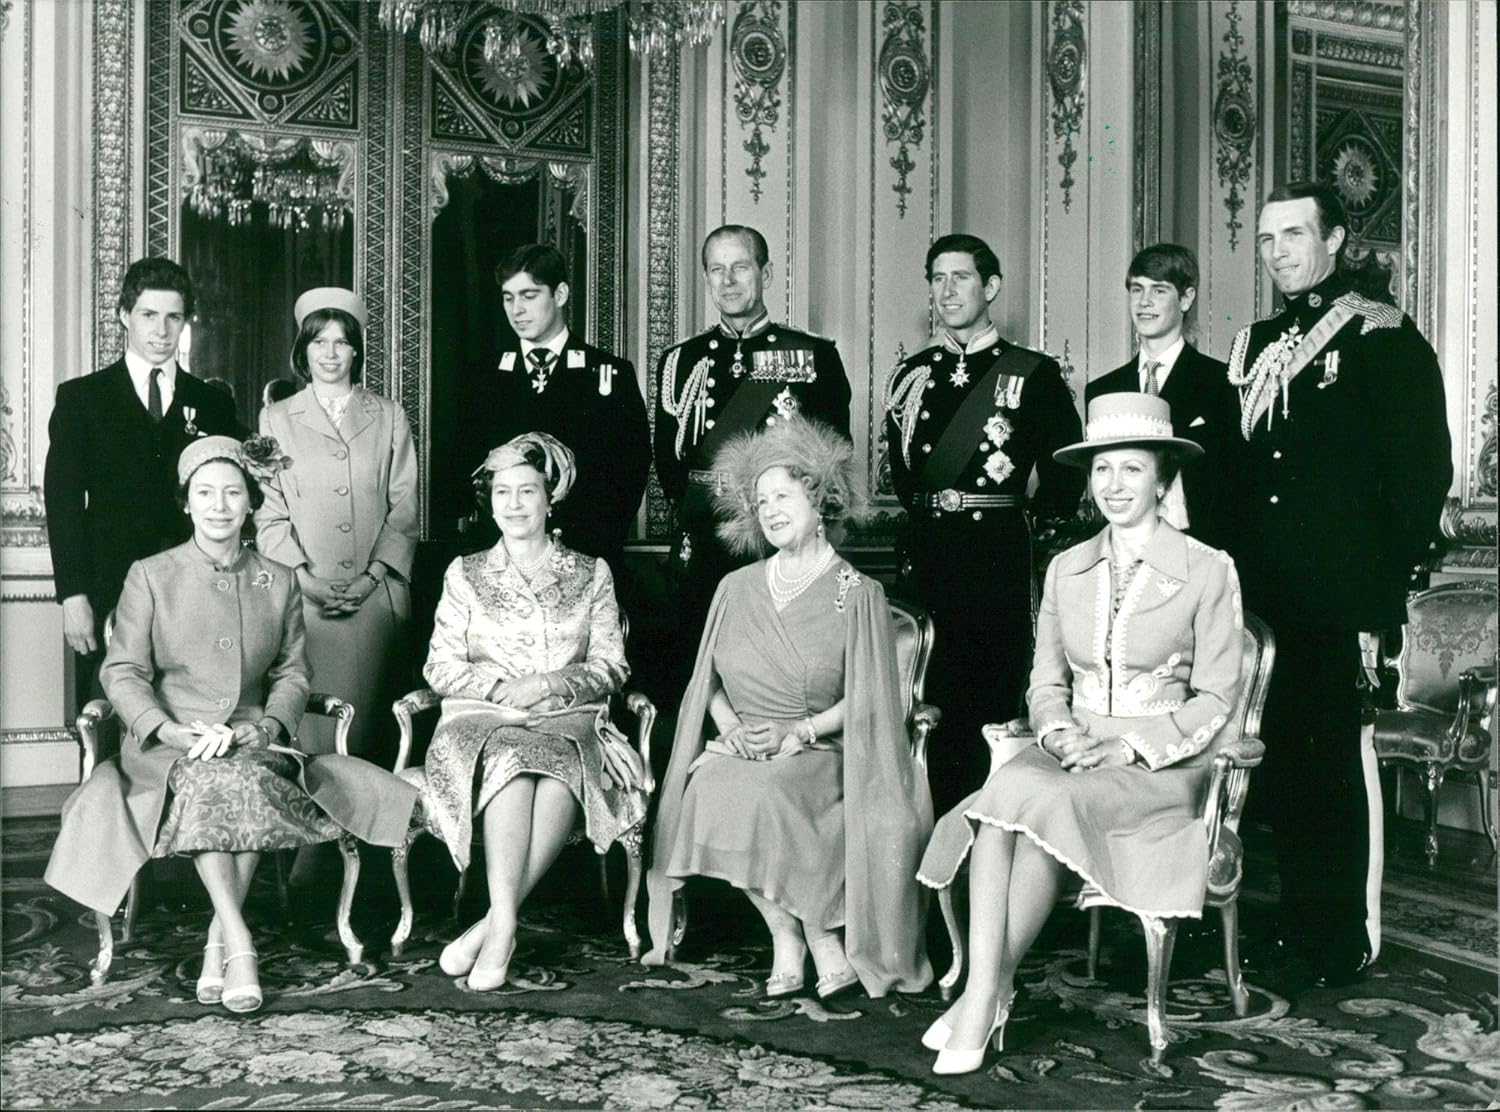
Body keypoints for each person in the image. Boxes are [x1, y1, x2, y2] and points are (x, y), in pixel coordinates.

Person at [916, 393, 1244, 1074]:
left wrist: (1127, 745)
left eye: (1131, 470)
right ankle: (991, 988)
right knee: (1008, 800)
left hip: (1159, 768)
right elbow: (1044, 684)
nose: (1114, 487)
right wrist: (1059, 733)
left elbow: (1218, 696)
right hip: (1073, 750)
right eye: (1102, 471)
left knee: (1036, 805)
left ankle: (982, 994)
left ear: (1162, 478)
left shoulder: (1208, 568)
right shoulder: (1067, 567)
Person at [44, 436, 417, 1014]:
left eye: (232, 493)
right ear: (186, 503)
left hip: (252, 741)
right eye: (205, 493)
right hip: (168, 748)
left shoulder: (280, 579)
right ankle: (238, 938)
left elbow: (294, 675)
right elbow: (121, 671)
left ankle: (219, 937)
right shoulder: (151, 575)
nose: (219, 505)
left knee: (239, 776)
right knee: (210, 781)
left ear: (250, 503)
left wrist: (266, 729)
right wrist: (164, 730)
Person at [1224, 181, 1450, 987]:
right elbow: (1240, 480)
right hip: (1265, 602)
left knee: (1333, 771)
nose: (1279, 251)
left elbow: (1422, 476)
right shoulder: (1252, 345)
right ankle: (1292, 925)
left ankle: (1343, 938)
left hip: (1339, 598)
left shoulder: (1382, 337)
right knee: (1279, 769)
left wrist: (1375, 594)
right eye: (1265, 238)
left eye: (1293, 234)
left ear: (1336, 239)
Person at [644, 417, 932, 1001]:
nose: (770, 510)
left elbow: (872, 697)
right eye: (760, 501)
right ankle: (792, 936)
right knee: (709, 785)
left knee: (770, 792)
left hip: (822, 747)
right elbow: (708, 680)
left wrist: (798, 732)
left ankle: (820, 936)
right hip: (742, 744)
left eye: (783, 495)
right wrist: (731, 731)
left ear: (820, 497)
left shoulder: (858, 593)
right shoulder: (735, 586)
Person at [419, 432, 646, 991]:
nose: (514, 505)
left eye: (527, 491)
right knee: (515, 760)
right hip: (482, 720)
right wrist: (503, 689)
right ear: (489, 501)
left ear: (551, 498)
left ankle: (496, 927)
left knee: (558, 767)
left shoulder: (590, 572)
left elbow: (612, 666)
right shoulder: (464, 572)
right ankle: (501, 927)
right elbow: (438, 666)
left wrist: (550, 683)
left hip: (569, 719)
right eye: (502, 493)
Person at [884, 233, 1083, 813]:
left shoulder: (1032, 374)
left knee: (991, 694)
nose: (947, 291)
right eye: (937, 279)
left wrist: (1038, 525)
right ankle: (935, 824)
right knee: (926, 695)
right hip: (926, 555)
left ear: (991, 287)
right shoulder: (912, 374)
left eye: (961, 278)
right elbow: (900, 469)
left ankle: (989, 826)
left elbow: (1065, 467)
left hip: (996, 556)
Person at [653, 224, 851, 693]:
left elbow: (833, 460)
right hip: (702, 537)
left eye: (740, 267)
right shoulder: (681, 360)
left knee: (774, 670)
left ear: (766, 272)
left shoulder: (813, 356)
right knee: (698, 665)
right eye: (716, 270)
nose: (728, 281)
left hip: (776, 538)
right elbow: (668, 461)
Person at [44, 257, 239, 696]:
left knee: (192, 726)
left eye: (174, 317)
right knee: (105, 725)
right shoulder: (82, 398)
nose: (161, 330)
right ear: (124, 315)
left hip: (197, 592)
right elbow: (64, 502)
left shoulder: (212, 404)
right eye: (149, 315)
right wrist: (73, 595)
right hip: (105, 589)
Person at [255, 288, 419, 763]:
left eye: (341, 342)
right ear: (303, 350)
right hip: (302, 601)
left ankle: (369, 836)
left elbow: (405, 509)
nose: (330, 353)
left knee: (372, 737)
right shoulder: (277, 418)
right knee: (313, 739)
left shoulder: (389, 416)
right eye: (319, 342)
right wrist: (305, 580)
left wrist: (371, 579)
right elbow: (269, 512)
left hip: (375, 598)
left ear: (356, 350)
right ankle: (315, 836)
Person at [457, 244, 651, 580]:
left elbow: (630, 471)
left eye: (529, 295)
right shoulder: (481, 377)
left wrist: (585, 543)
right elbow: (464, 464)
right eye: (508, 297)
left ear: (560, 294)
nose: (517, 309)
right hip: (503, 558)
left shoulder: (608, 373)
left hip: (585, 554)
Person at [1086, 243, 1239, 548]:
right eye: (1136, 289)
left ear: (1186, 298)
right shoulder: (1103, 390)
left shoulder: (1222, 383)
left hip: (1200, 551)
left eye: (1159, 290)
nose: (1144, 302)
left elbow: (1233, 486)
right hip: (1125, 551)